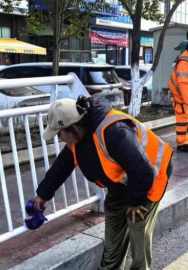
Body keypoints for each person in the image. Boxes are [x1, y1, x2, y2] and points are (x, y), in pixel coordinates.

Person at [34, 96, 173, 270]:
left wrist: (135, 202)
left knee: (137, 224)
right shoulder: (78, 139)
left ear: (74, 128)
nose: (60, 139)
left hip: (151, 177)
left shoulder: (113, 131)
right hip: (121, 185)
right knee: (113, 231)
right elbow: (61, 167)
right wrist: (42, 194)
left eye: (60, 134)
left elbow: (143, 171)